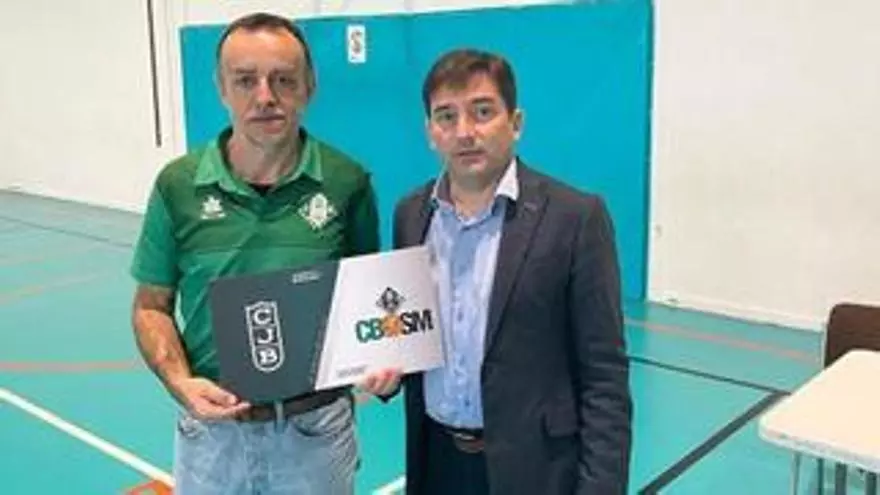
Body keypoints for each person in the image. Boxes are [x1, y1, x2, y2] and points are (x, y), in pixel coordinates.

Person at [129, 12, 395, 494]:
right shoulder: (177, 186)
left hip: (315, 435)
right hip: (211, 437)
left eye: (283, 80)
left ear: (309, 88)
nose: (265, 96)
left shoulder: (347, 182)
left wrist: (381, 362)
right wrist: (180, 382)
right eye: (246, 80)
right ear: (222, 89)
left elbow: (367, 304)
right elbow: (151, 306)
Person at [386, 48, 633, 494]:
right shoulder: (411, 215)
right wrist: (386, 372)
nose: (465, 132)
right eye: (446, 116)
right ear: (430, 133)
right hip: (436, 463)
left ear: (515, 122)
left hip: (535, 469)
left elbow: (604, 376)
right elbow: (410, 336)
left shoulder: (576, 218)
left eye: (482, 112)